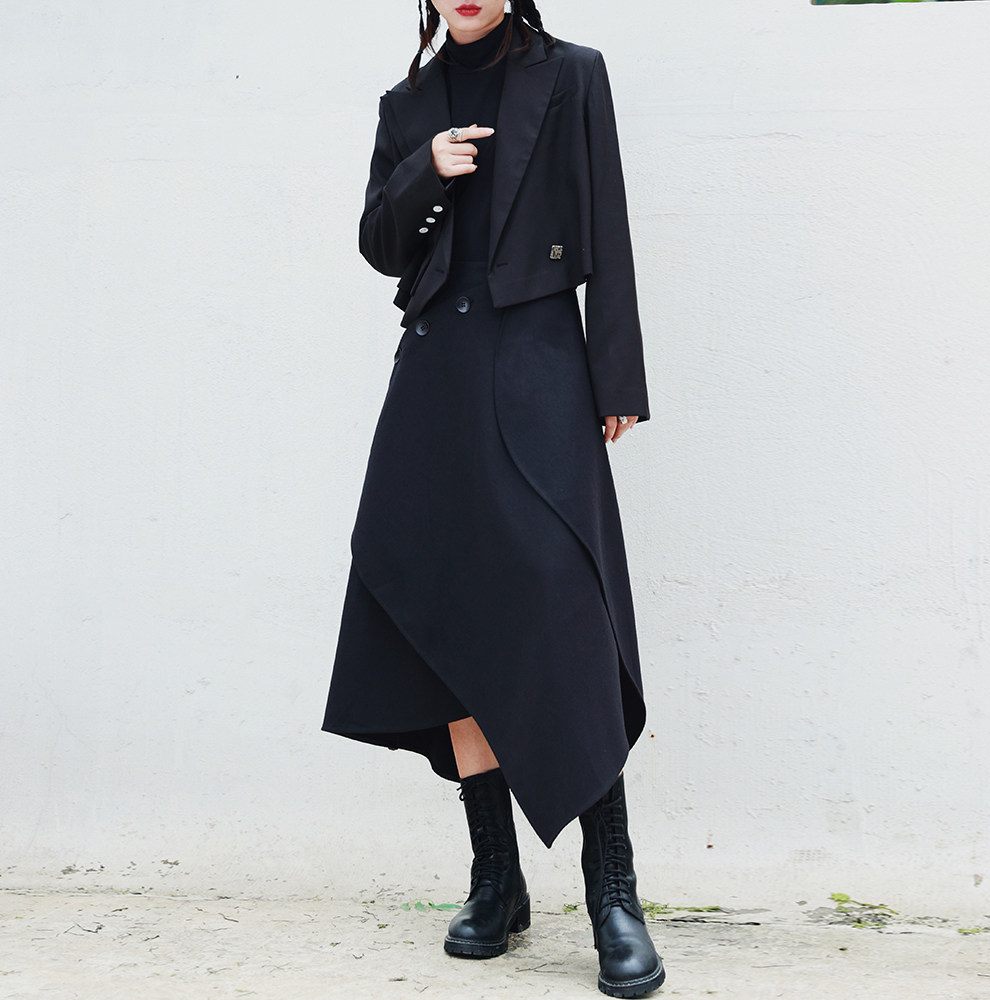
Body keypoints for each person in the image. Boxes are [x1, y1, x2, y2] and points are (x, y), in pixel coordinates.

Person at [322, 1, 663, 995]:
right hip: (436, 376)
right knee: (451, 616)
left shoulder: (572, 72)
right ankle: (496, 880)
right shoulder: (407, 102)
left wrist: (616, 376)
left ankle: (612, 894)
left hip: (542, 363)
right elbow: (380, 246)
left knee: (565, 616)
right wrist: (422, 170)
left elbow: (607, 223)